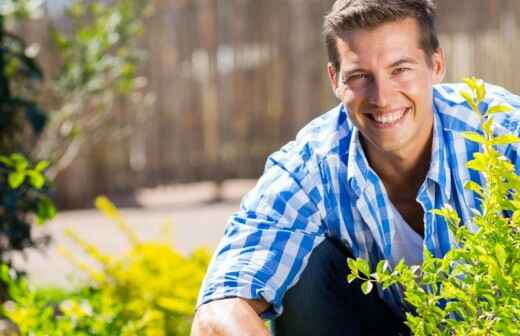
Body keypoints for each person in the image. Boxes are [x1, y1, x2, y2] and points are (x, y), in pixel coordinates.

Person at [191, 0, 520, 335]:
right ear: (335, 79)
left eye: (400, 69)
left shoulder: (501, 132)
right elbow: (219, 310)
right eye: (360, 76)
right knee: (305, 266)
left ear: (436, 64)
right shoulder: (312, 164)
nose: (382, 97)